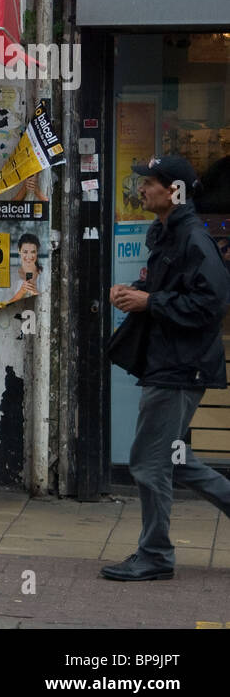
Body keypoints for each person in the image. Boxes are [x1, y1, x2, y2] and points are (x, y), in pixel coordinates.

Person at [104, 155, 230, 582]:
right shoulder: (166, 233)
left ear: (174, 190)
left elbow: (212, 305)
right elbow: (171, 290)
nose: (141, 189)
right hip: (168, 360)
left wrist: (150, 302)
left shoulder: (193, 236)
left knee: (147, 461)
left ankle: (155, 554)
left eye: (150, 182)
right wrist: (136, 292)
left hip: (180, 366)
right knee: (171, 458)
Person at [8, 233, 46, 302]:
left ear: (37, 252)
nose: (29, 256)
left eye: (33, 252)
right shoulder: (12, 275)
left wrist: (37, 294)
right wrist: (21, 291)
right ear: (19, 251)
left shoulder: (45, 273)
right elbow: (6, 303)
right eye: (25, 252)